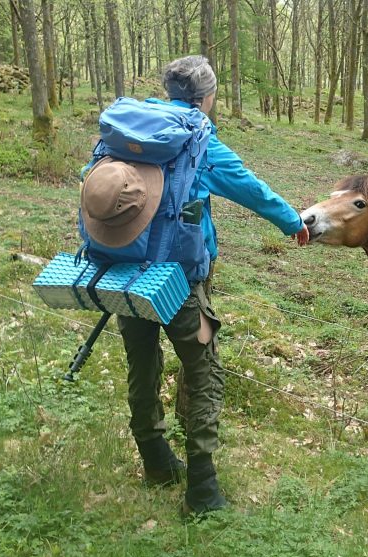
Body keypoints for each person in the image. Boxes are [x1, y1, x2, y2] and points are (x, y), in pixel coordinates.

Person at [99, 55, 308, 516]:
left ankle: (155, 459)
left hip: (123, 268)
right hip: (179, 280)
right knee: (203, 366)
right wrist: (293, 221)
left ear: (169, 90)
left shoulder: (131, 128)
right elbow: (249, 187)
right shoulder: (198, 140)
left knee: (141, 360)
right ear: (207, 97)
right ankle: (202, 488)